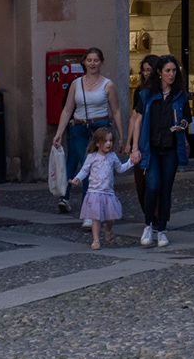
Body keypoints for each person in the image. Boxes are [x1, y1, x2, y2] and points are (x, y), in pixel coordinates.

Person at [51, 48, 120, 214]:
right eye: (89, 60)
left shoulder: (107, 84)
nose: (92, 63)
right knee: (80, 164)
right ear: (84, 62)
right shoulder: (76, 84)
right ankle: (68, 199)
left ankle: (87, 209)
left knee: (89, 165)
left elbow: (116, 110)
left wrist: (122, 137)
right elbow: (67, 109)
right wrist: (59, 132)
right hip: (79, 128)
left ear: (101, 62)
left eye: (96, 60)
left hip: (99, 130)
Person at [135, 55, 188, 247]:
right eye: (168, 71)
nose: (171, 74)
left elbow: (187, 118)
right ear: (159, 72)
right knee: (153, 186)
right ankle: (148, 225)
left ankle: (162, 230)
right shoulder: (147, 94)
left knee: (166, 189)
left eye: (174, 71)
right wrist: (135, 148)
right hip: (152, 149)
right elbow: (138, 121)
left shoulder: (180, 95)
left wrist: (183, 124)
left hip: (171, 149)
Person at [75, 126, 139, 249]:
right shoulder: (92, 156)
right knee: (96, 217)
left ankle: (108, 230)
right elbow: (85, 170)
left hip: (108, 192)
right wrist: (78, 178)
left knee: (110, 217)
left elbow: (119, 168)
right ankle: (96, 240)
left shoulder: (112, 156)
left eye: (110, 140)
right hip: (95, 191)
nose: (108, 143)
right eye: (105, 141)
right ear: (98, 143)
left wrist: (130, 163)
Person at [132, 56, 156, 207]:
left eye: (150, 70)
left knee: (157, 183)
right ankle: (149, 215)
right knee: (142, 182)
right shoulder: (140, 92)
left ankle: (158, 219)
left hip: (159, 141)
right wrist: (131, 145)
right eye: (144, 70)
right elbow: (135, 118)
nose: (147, 74)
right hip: (142, 140)